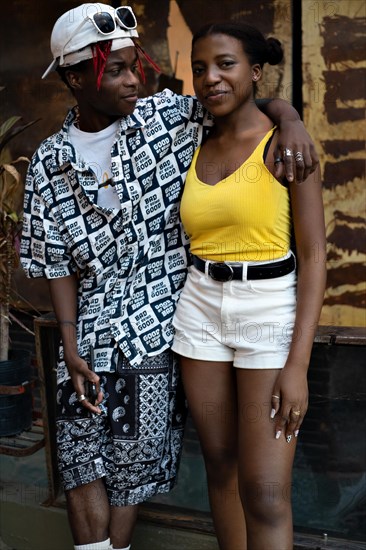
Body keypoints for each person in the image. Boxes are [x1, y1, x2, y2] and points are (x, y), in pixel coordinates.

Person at [20, 4, 320, 550]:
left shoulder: (168, 118)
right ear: (72, 77)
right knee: (80, 454)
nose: (133, 78)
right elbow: (54, 259)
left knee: (146, 466)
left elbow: (242, 94)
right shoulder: (49, 161)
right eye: (115, 69)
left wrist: (292, 116)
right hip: (103, 328)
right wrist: (68, 343)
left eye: (136, 65)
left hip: (161, 324)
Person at [171, 22, 327, 550]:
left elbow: (314, 256)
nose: (210, 77)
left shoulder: (288, 146)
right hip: (198, 309)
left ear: (255, 71)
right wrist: (287, 110)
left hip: (267, 310)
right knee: (220, 466)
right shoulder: (192, 137)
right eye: (199, 68)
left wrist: (298, 365)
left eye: (226, 64)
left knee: (264, 492)